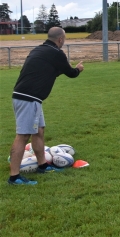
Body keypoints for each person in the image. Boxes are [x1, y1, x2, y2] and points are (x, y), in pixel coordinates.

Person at [8, 27, 84, 185]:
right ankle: (14, 177)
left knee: (39, 131)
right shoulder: (56, 53)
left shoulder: (40, 50)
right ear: (60, 40)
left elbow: (48, 72)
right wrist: (78, 69)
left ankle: (42, 166)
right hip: (28, 98)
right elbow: (70, 73)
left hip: (29, 98)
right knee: (23, 136)